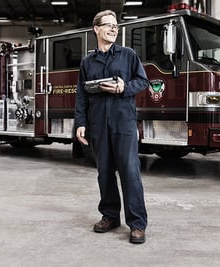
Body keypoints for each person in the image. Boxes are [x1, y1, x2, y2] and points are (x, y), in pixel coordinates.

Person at [74, 10, 149, 244]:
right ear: (96, 29)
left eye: (116, 26)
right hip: (98, 124)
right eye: (108, 25)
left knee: (130, 172)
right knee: (104, 173)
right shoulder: (87, 62)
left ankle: (137, 224)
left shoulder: (128, 55)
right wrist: (81, 123)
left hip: (123, 123)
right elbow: (81, 96)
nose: (113, 29)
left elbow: (143, 81)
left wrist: (123, 87)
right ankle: (110, 216)